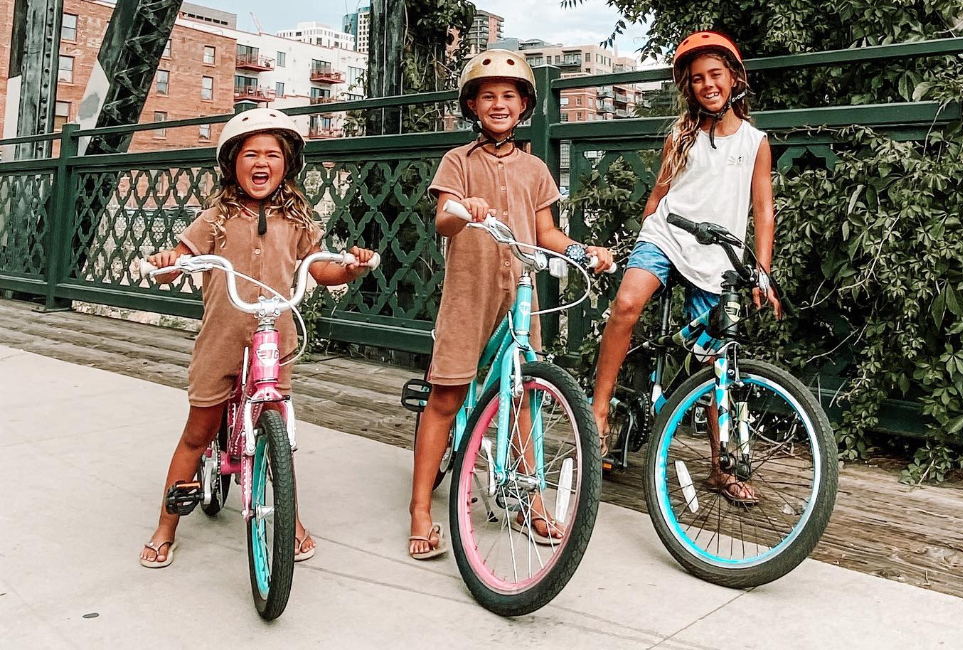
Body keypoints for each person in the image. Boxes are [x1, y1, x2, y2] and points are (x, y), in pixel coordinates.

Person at [139, 108, 375, 568]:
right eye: (251, 154)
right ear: (233, 164)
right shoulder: (215, 219)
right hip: (222, 338)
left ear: (287, 164)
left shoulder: (299, 222)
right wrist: (168, 260)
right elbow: (178, 262)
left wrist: (348, 266)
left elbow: (319, 267)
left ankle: (291, 519)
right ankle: (165, 525)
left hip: (276, 339)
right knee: (199, 430)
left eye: (272, 154)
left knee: (277, 433)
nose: (261, 162)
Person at [408, 50, 614, 559]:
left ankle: (532, 499)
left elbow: (546, 233)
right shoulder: (458, 161)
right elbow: (443, 221)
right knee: (447, 394)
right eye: (487, 96)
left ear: (524, 105)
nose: (498, 105)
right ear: (472, 105)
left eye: (508, 96)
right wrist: (463, 209)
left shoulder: (536, 168)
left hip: (519, 293)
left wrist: (584, 251)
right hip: (468, 293)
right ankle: (419, 509)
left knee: (523, 394)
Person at [591, 32, 781, 506]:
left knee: (717, 360)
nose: (706, 85)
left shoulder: (755, 142)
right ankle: (596, 412)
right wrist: (645, 225)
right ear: (688, 87)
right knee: (627, 304)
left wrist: (762, 270)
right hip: (667, 235)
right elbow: (660, 193)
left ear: (734, 79)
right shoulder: (682, 134)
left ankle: (722, 464)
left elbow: (764, 210)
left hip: (718, 254)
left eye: (715, 75)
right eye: (697, 79)